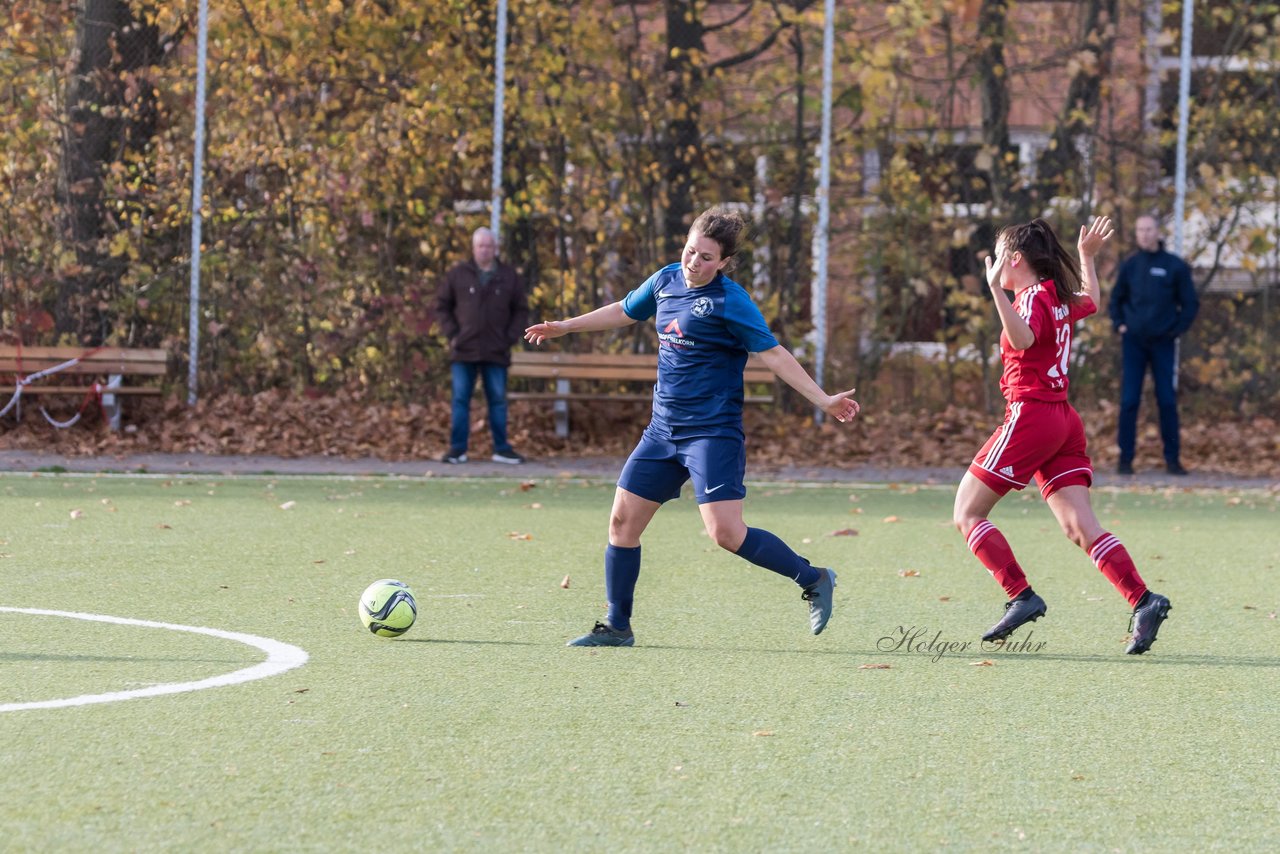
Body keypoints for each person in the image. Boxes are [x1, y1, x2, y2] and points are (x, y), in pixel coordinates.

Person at [524, 207, 860, 647]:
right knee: (622, 524)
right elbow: (625, 310)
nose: (693, 262)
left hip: (711, 433)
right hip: (662, 430)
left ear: (723, 262)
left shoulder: (731, 301)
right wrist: (566, 326)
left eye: (705, 257)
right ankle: (617, 626)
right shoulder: (665, 280)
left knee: (725, 533)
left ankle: (813, 577)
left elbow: (773, 353)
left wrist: (823, 399)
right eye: (689, 251)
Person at [953, 215, 1172, 655]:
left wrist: (995, 290)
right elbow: (1091, 299)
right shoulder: (1054, 296)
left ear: (1014, 260)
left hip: (1032, 416)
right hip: (1063, 421)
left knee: (967, 514)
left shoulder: (1032, 297)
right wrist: (1087, 257)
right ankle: (1144, 600)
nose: (994, 265)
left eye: (998, 258)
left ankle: (1021, 595)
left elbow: (1025, 337)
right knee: (1079, 526)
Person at [1108, 215, 1199, 475]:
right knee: (1129, 401)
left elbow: (1190, 303)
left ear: (1157, 232)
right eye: (1140, 230)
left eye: (1149, 229)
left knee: (1167, 401)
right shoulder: (1130, 266)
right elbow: (1116, 300)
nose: (1145, 234)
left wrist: (1176, 331)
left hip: (1163, 344)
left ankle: (1173, 460)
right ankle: (1125, 460)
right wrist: (1119, 324)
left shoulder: (1174, 266)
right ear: (1136, 234)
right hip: (1133, 343)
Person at [435, 226, 529, 464]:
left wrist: (509, 337)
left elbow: (521, 310)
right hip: (463, 350)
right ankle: (457, 450)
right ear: (473, 248)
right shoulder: (458, 274)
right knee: (460, 400)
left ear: (495, 248)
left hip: (496, 350)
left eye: (489, 246)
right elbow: (442, 306)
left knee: (497, 400)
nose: (485, 250)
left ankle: (501, 448)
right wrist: (453, 335)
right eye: (480, 246)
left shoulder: (509, 276)